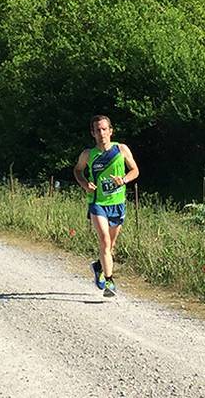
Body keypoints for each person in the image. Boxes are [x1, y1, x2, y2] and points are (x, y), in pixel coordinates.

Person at [73, 115, 139, 297]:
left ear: (110, 131)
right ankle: (109, 281)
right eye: (98, 130)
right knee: (104, 241)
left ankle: (98, 266)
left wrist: (124, 180)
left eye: (104, 129)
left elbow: (135, 170)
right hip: (98, 203)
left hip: (117, 204)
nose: (101, 133)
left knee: (110, 246)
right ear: (93, 133)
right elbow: (78, 170)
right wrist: (85, 183)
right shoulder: (88, 154)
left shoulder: (121, 149)